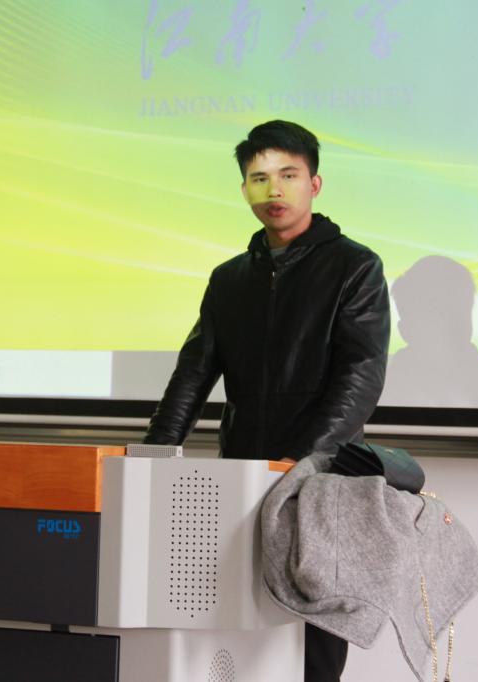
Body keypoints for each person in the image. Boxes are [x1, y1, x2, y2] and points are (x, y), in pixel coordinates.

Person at [143, 120, 390, 682]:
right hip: (240, 478)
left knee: (314, 638)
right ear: (244, 190)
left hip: (319, 483)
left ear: (315, 184)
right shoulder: (229, 278)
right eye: (259, 178)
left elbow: (359, 376)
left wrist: (301, 461)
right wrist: (155, 453)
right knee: (239, 630)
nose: (274, 190)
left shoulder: (354, 267)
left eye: (288, 175)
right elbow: (194, 371)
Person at [385, 255, 478, 408]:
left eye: (455, 312)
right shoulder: (377, 393)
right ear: (406, 330)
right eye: (434, 314)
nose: (446, 325)